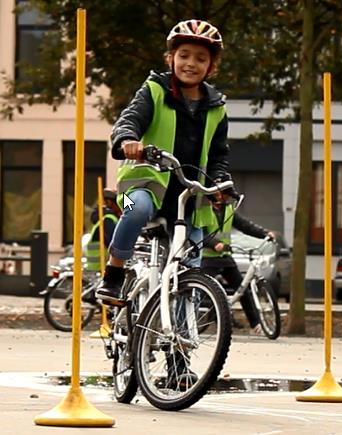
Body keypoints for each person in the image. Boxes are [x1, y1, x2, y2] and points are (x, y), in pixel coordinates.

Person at [96, 19, 231, 306]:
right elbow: (129, 120)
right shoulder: (154, 90)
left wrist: (219, 181)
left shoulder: (217, 108)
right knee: (136, 210)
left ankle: (181, 338)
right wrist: (127, 140)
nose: (190, 63)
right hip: (141, 185)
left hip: (188, 196)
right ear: (170, 58)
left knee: (191, 264)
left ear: (211, 66)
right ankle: (114, 272)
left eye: (200, 58)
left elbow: (219, 154)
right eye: (183, 55)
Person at [201, 191, 276, 334]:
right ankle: (208, 318)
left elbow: (245, 226)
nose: (221, 196)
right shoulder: (203, 210)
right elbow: (199, 233)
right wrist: (213, 243)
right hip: (208, 258)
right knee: (202, 292)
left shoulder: (229, 210)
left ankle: (256, 324)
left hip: (225, 257)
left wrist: (264, 233)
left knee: (243, 290)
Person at [85, 188, 122, 272]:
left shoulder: (106, 218)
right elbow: (115, 244)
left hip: (98, 268)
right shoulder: (108, 220)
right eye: (119, 203)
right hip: (101, 268)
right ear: (109, 202)